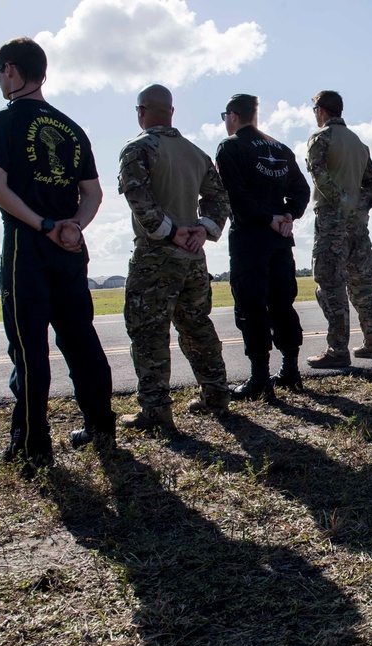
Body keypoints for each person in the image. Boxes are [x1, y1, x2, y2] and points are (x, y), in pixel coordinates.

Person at [0, 36, 115, 471]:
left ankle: (32, 444)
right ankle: (100, 426)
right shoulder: (71, 127)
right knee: (80, 338)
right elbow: (93, 193)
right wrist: (74, 226)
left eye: (0, 71)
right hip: (71, 248)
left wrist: (44, 226)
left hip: (28, 247)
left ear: (13, 71)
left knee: (28, 345)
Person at [118, 84, 231, 429]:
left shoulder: (138, 149)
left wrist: (170, 231)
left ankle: (155, 411)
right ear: (171, 112)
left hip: (156, 257)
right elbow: (219, 200)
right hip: (194, 259)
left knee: (149, 333)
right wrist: (202, 229)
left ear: (141, 111)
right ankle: (216, 396)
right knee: (197, 326)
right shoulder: (196, 153)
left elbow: (139, 200)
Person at [216, 93, 310, 399]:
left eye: (224, 117)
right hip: (280, 239)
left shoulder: (230, 147)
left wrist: (269, 218)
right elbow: (301, 189)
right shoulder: (279, 148)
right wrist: (288, 215)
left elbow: (235, 195)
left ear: (233, 116)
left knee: (251, 307)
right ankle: (290, 370)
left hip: (250, 240)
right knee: (282, 303)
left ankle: (260, 379)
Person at [306, 90, 372, 367]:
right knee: (363, 284)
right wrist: (359, 207)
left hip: (332, 223)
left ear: (321, 110)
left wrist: (341, 204)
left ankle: (337, 349)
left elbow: (319, 174)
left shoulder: (321, 139)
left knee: (330, 284)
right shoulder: (358, 143)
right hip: (357, 225)